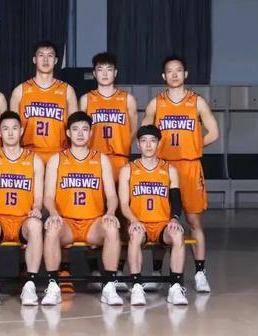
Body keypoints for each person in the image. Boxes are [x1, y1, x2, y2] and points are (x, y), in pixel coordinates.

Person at [142, 56, 219, 292]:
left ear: (185, 74)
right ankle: (157, 271)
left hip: (189, 167)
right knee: (160, 220)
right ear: (163, 76)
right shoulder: (156, 103)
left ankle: (200, 273)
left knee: (194, 221)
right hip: (163, 168)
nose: (174, 75)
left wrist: (194, 146)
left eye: (178, 70)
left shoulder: (197, 102)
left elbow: (214, 132)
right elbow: (144, 132)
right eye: (170, 71)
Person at [43, 111, 123, 306]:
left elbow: (112, 195)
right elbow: (48, 196)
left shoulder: (101, 159)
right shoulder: (56, 159)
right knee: (52, 228)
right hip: (67, 223)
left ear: (90, 133)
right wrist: (53, 213)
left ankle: (109, 286)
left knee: (112, 227)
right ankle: (53, 286)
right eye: (76, 129)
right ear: (68, 133)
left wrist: (110, 212)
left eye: (85, 129)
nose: (80, 133)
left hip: (93, 224)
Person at [80, 52, 138, 290]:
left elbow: (133, 130)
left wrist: (121, 147)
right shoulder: (86, 99)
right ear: (94, 73)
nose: (104, 74)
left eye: (109, 69)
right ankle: (94, 268)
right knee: (93, 212)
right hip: (93, 162)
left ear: (116, 73)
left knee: (121, 215)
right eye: (100, 69)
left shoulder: (127, 99)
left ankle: (119, 268)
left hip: (119, 161)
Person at [0, 111, 45, 305]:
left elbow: (38, 198)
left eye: (14, 128)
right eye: (6, 129)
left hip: (23, 220)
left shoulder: (34, 160)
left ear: (21, 131)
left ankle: (30, 285)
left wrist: (37, 208)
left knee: (35, 224)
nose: (10, 133)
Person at [119, 125, 188, 306]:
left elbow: (176, 200)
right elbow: (124, 204)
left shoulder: (169, 169)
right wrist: (134, 220)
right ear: (138, 144)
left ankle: (175, 287)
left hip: (162, 224)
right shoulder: (128, 170)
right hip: (139, 222)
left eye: (152, 141)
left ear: (159, 143)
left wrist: (175, 218)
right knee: (135, 235)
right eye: (144, 141)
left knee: (177, 234)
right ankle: (136, 286)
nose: (148, 145)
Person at [10, 41, 78, 164]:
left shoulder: (67, 91)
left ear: (56, 60)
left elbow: (75, 128)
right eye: (41, 55)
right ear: (34, 59)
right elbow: (11, 128)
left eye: (50, 56)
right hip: (28, 154)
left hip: (60, 154)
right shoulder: (20, 91)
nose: (45, 60)